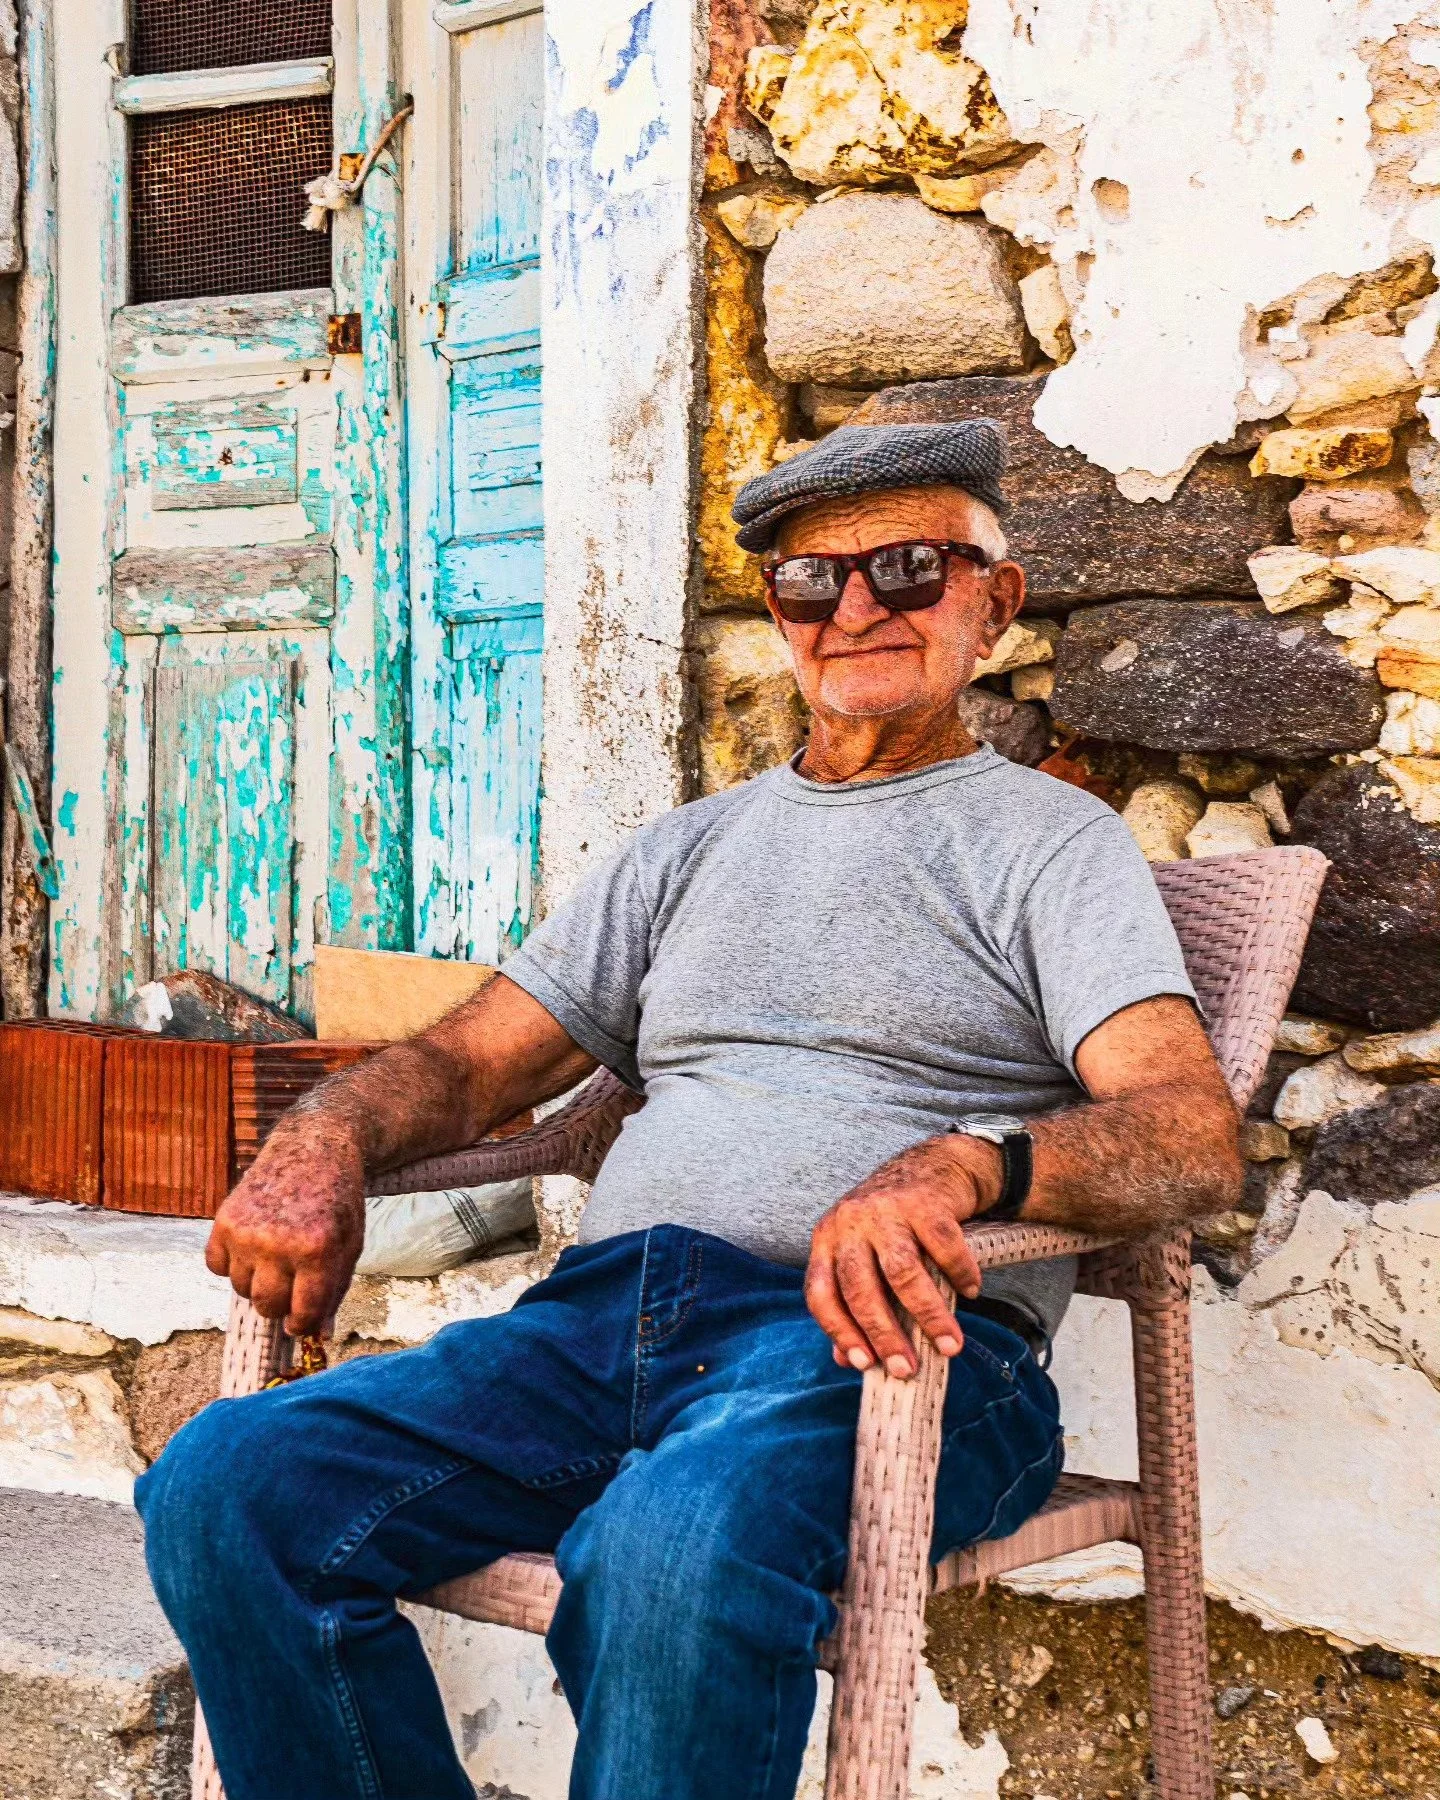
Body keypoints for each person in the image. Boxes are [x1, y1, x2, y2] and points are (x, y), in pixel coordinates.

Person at [137, 405, 1242, 1800]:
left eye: (907, 570)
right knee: (231, 1486)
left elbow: (1192, 1136)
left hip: (878, 1355)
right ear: (780, 614)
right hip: (595, 1332)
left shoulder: (1049, 845)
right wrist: (325, 1131)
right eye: (809, 582)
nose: (855, 610)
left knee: (673, 1538)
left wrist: (959, 1168)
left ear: (994, 601)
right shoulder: (690, 848)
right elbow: (479, 1059)